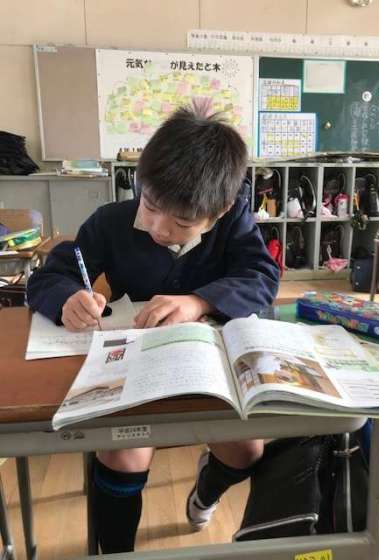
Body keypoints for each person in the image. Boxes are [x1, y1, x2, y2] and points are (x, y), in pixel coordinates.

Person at [27, 101, 280, 554]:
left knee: (246, 452)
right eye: (150, 205)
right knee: (121, 454)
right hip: (135, 370)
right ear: (142, 184)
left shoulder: (234, 223)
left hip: (208, 373)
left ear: (220, 210)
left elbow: (261, 278)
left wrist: (199, 301)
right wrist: (67, 298)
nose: (160, 229)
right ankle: (116, 551)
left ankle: (205, 492)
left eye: (182, 222)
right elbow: (51, 276)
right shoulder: (110, 222)